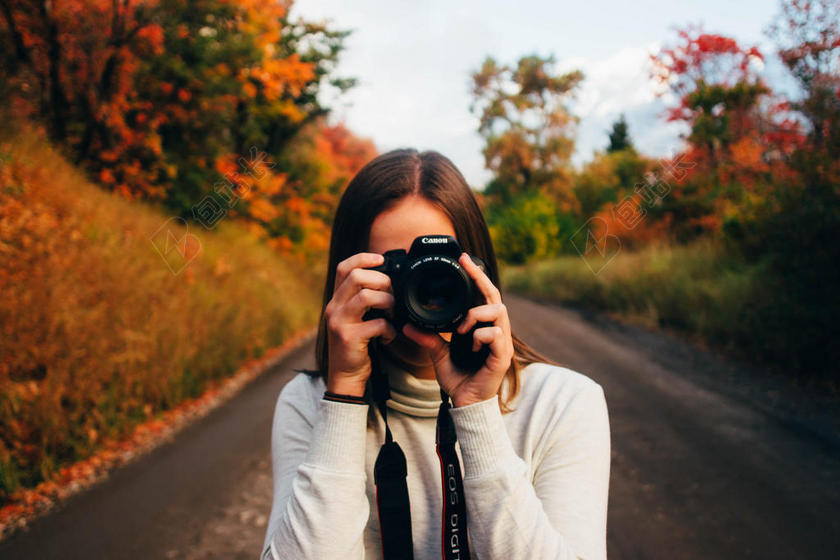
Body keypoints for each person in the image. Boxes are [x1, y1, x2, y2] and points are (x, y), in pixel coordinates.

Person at [261, 149, 611, 560]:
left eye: (440, 269)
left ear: (479, 270)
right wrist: (343, 395)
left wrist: (477, 410)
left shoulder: (563, 403)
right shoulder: (310, 402)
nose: (423, 290)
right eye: (397, 269)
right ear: (349, 276)